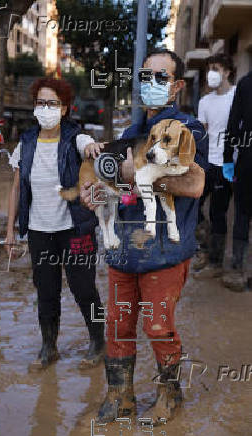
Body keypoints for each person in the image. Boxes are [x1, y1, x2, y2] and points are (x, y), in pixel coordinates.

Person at [81, 49, 208, 425]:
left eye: (159, 77)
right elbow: (120, 190)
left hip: (164, 253)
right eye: (143, 76)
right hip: (123, 252)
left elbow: (195, 183)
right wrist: (97, 194)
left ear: (177, 86)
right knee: (118, 325)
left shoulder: (187, 128)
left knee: (157, 326)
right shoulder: (130, 133)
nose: (149, 84)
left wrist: (138, 172)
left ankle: (169, 393)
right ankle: (120, 396)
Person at [5, 77, 106, 370]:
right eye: (40, 102)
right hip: (39, 231)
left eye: (52, 103)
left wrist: (93, 148)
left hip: (74, 230)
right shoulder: (25, 144)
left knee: (84, 289)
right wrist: (10, 231)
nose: (45, 108)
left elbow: (88, 146)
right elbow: (16, 189)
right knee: (46, 291)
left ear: (64, 109)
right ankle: (49, 347)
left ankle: (98, 341)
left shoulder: (75, 138)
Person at [195, 54, 236, 276]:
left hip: (227, 164)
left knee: (218, 212)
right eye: (210, 68)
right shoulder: (205, 101)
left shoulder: (237, 96)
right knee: (192, 205)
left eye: (217, 68)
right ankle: (204, 247)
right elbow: (202, 133)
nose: (212, 72)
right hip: (207, 163)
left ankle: (216, 263)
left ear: (227, 72)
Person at [222, 70, 252, 292]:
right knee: (241, 213)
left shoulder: (245, 83)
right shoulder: (245, 83)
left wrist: (227, 158)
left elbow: (233, 124)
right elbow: (233, 122)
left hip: (246, 160)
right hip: (246, 161)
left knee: (242, 213)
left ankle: (237, 270)